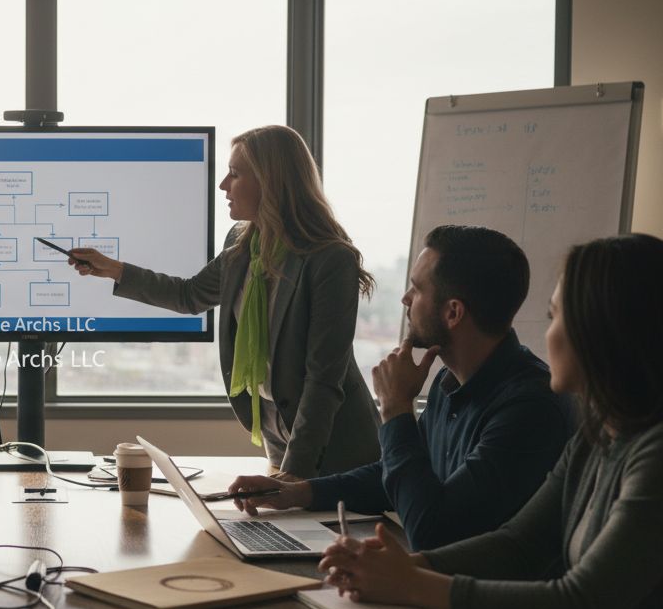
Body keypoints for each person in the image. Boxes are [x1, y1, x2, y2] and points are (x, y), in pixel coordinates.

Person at [318, 234, 663, 609]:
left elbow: (579, 607)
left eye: (555, 317)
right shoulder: (598, 434)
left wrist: (410, 584)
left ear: (605, 332)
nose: (547, 334)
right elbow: (519, 545)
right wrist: (403, 568)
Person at [228, 226, 574, 550]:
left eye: (418, 289)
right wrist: (294, 493)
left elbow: (432, 531)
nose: (406, 299)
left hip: (484, 602)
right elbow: (394, 476)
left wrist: (396, 410)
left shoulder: (529, 410)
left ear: (453, 313)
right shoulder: (449, 380)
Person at [69, 125, 378, 478]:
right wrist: (113, 269)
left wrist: (292, 478)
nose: (223, 186)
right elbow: (189, 296)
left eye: (234, 174)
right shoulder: (243, 244)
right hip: (279, 438)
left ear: (270, 180)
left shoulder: (329, 259)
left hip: (336, 450)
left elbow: (322, 381)